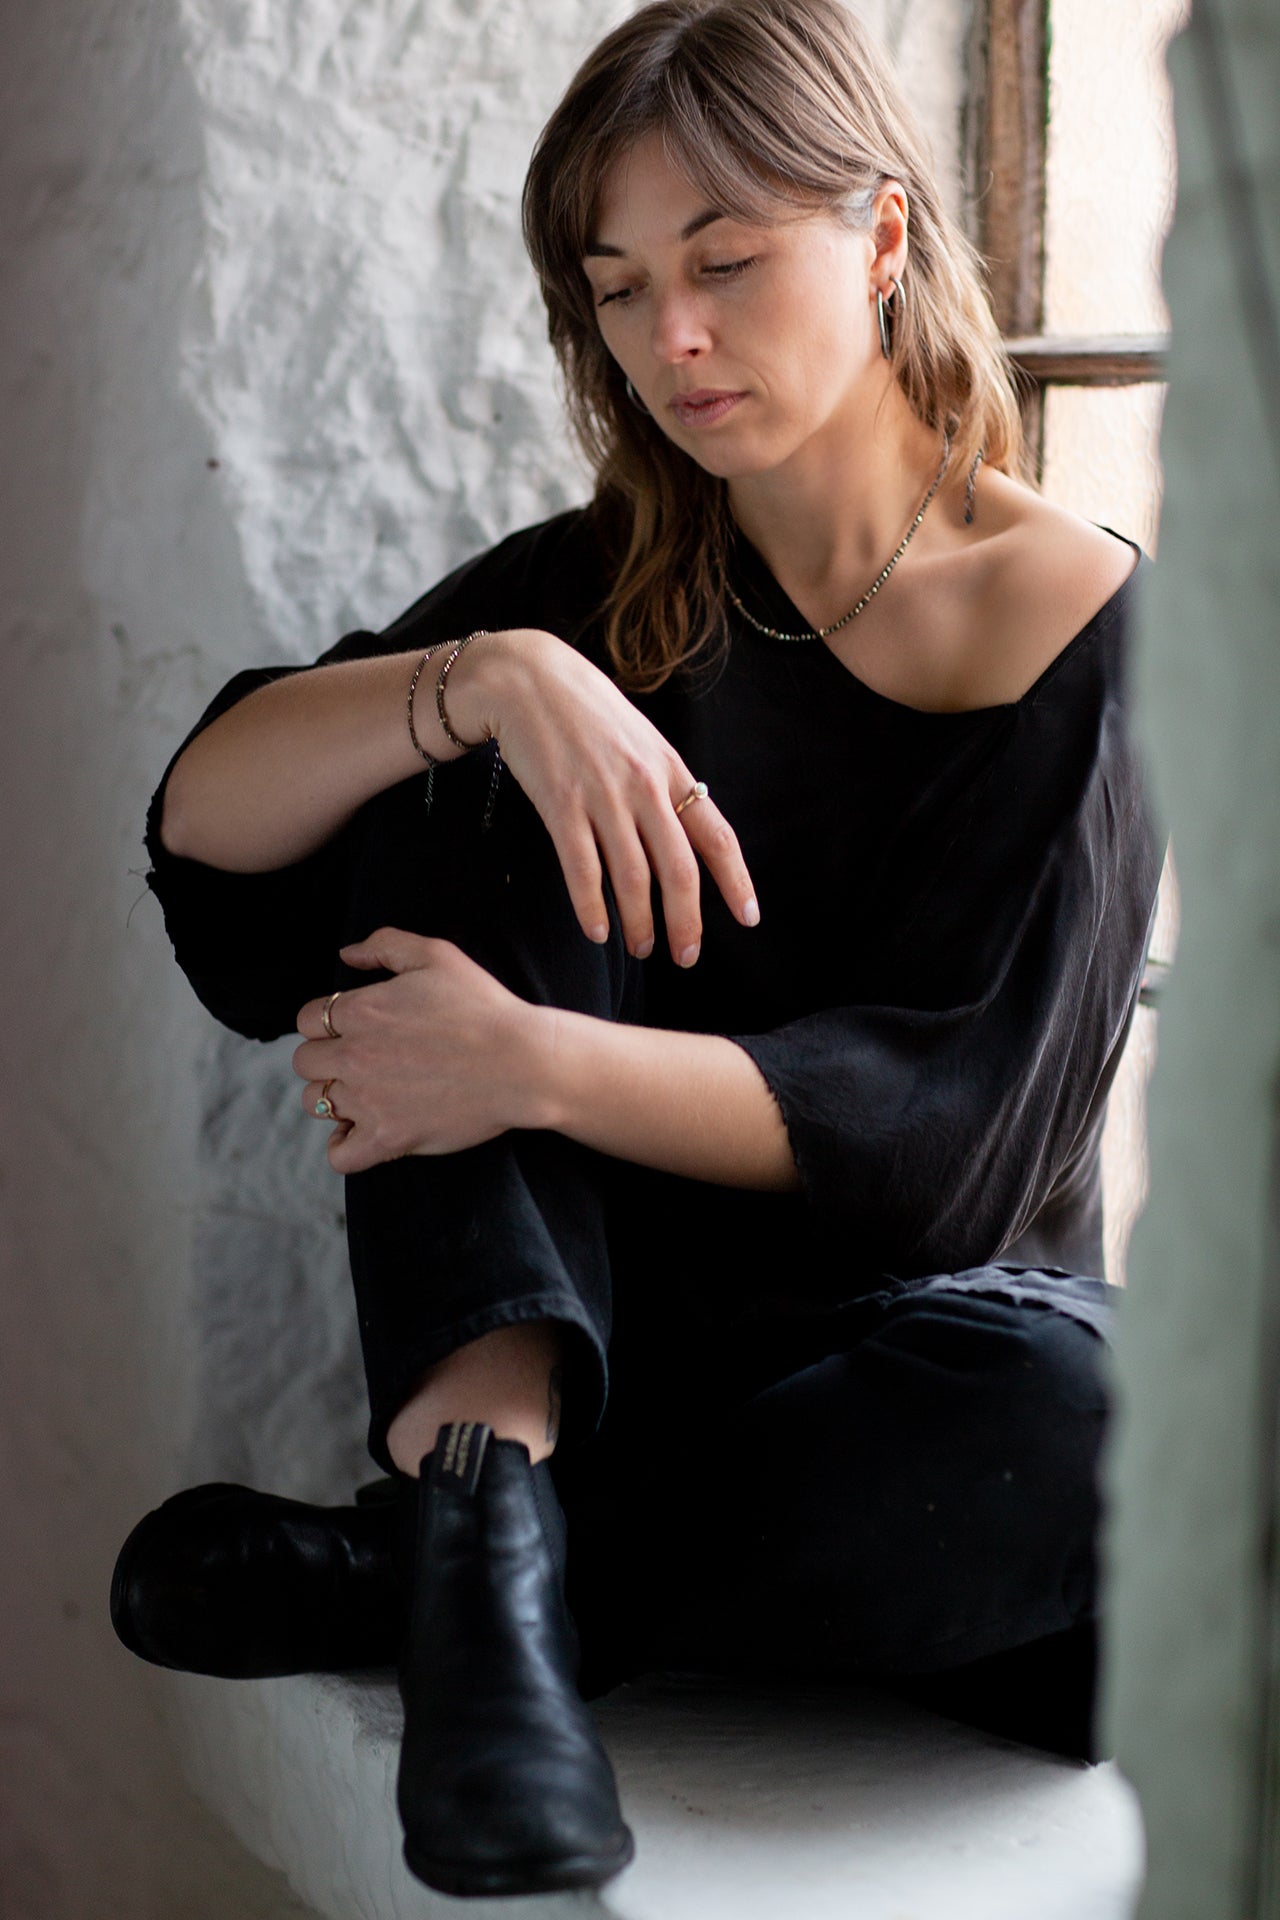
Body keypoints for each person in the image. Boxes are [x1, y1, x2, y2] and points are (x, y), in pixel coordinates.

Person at [110, 0, 1164, 1898]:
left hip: (920, 1395)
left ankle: (444, 1574)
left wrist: (530, 1065)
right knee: (462, 772)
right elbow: (211, 846)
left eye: (725, 262)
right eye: (616, 290)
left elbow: (953, 1141)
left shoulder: (1080, 624)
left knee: (1115, 1430)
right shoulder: (597, 595)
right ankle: (487, 1502)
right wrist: (491, 676)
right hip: (605, 1367)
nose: (670, 336)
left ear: (885, 235)